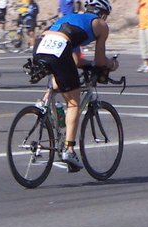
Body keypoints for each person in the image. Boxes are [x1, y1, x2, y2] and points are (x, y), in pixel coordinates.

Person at [33, 0, 118, 172]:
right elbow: (101, 61)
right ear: (103, 14)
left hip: (40, 45)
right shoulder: (100, 24)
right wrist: (112, 64)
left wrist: (89, 64)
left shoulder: (73, 18)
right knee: (73, 101)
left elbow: (76, 61)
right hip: (60, 48)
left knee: (59, 79)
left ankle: (45, 106)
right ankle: (69, 150)